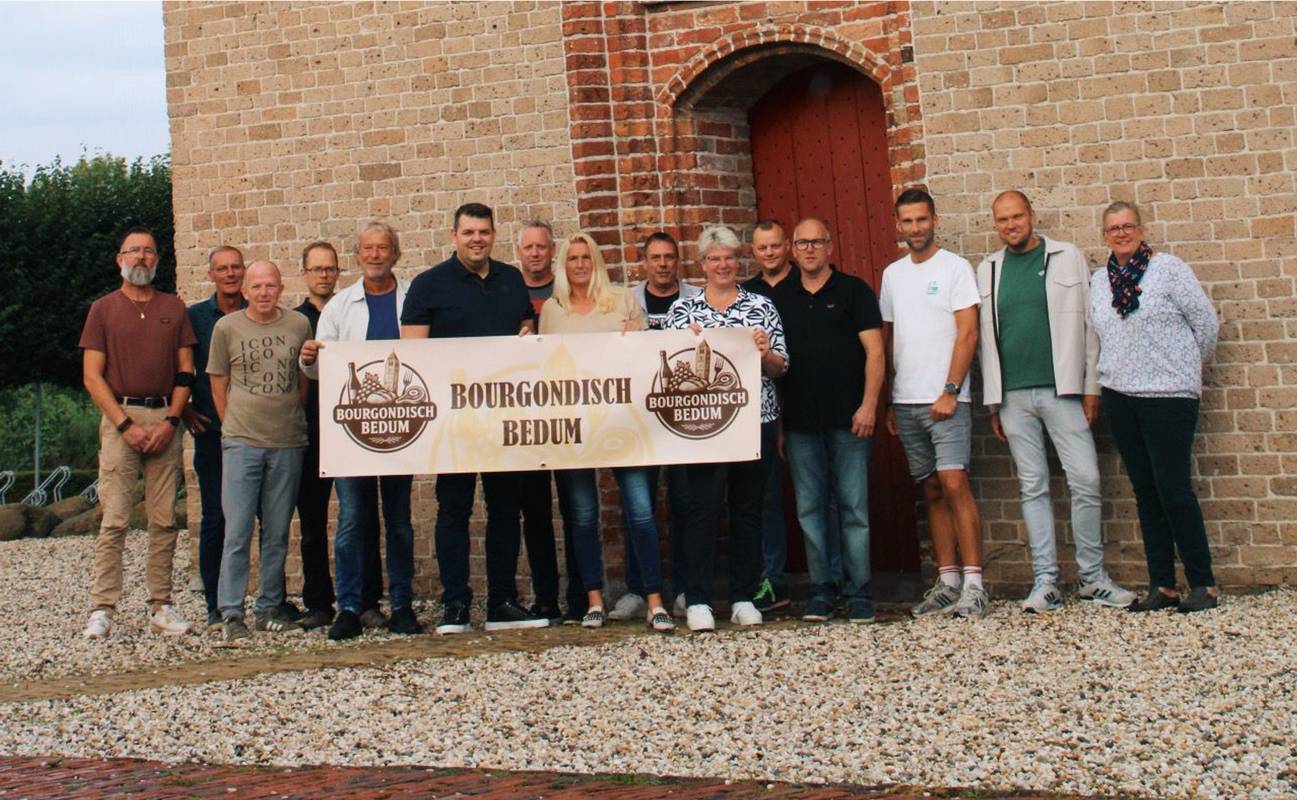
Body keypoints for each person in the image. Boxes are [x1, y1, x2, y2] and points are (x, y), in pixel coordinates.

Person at [977, 191, 1137, 613]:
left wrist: (1090, 388)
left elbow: (1089, 325)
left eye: (1017, 216)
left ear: (1031, 216)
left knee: (1085, 479)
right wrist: (993, 402)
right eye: (1002, 220)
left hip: (1063, 390)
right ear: (996, 224)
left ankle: (1092, 578)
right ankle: (1045, 581)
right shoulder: (988, 269)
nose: (1011, 225)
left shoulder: (1067, 257)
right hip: (1013, 397)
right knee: (1033, 487)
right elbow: (987, 342)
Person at [400, 202, 548, 634]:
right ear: (454, 236)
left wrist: (528, 339)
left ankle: (502, 601)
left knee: (505, 509)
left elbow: (528, 337)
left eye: (484, 232)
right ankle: (456, 606)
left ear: (493, 234)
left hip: (504, 417)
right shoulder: (429, 286)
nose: (477, 239)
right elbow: (413, 356)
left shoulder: (512, 280)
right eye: (469, 233)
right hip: (453, 423)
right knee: (454, 510)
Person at [539, 232, 674, 632]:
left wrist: (640, 336)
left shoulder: (622, 301)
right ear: (563, 266)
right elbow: (545, 367)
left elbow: (647, 357)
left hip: (624, 422)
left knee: (641, 512)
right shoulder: (553, 309)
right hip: (575, 427)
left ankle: (654, 600)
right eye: (573, 258)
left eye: (586, 258)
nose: (580, 265)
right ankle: (594, 599)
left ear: (596, 262)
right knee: (582, 515)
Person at [1090, 201, 1220, 613]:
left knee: (1173, 487)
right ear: (1105, 234)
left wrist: (1183, 369)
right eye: (1114, 228)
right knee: (1145, 491)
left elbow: (1205, 323)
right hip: (1119, 395)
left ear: (1141, 229)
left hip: (1168, 395)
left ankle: (1203, 582)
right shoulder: (1100, 280)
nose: (1122, 233)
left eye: (1129, 225)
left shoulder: (1169, 269)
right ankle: (1162, 585)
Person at [300, 222, 422, 640]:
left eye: (383, 247)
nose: (375, 255)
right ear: (358, 255)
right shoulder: (338, 307)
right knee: (352, 518)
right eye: (368, 248)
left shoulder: (414, 298)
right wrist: (309, 357)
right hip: (351, 433)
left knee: (399, 520)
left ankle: (402, 605)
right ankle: (349, 606)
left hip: (401, 429)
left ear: (395, 253)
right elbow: (319, 371)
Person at [665, 225, 787, 632]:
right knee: (702, 509)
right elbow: (665, 367)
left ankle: (743, 596)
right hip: (704, 427)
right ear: (702, 264)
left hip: (755, 422)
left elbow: (781, 367)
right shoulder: (683, 313)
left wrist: (766, 352)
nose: (723, 265)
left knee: (749, 509)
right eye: (714, 258)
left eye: (730, 257)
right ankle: (699, 598)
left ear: (740, 261)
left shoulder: (761, 307)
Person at [80, 226, 197, 639]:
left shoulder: (174, 308)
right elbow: (92, 377)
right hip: (120, 419)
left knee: (164, 520)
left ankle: (160, 605)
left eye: (148, 251)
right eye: (133, 251)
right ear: (120, 259)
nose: (141, 258)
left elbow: (186, 371)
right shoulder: (103, 310)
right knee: (114, 519)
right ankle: (102, 606)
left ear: (157, 260)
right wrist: (125, 425)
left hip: (165, 417)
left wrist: (171, 421)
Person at [880, 188, 989, 620]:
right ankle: (947, 582)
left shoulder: (955, 269)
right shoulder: (892, 274)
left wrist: (951, 388)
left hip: (947, 399)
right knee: (930, 489)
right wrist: (889, 399)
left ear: (934, 220)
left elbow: (968, 333)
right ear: (899, 225)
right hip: (906, 401)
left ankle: (975, 585)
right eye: (907, 221)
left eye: (921, 220)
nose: (915, 228)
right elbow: (888, 340)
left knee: (955, 484)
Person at [780, 218, 885, 624]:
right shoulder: (782, 297)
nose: (809, 249)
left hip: (849, 420)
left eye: (816, 242)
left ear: (829, 246)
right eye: (802, 243)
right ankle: (822, 590)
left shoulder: (853, 291)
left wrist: (869, 405)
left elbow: (875, 352)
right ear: (793, 248)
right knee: (810, 509)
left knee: (853, 508)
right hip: (802, 423)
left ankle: (860, 592)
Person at [208, 260, 312, 640]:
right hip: (242, 442)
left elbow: (303, 379)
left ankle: (269, 606)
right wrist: (231, 426)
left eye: (271, 286)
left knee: (278, 531)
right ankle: (231, 611)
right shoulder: (227, 328)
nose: (264, 292)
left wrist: (292, 417)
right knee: (237, 531)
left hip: (287, 441)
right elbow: (218, 381)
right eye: (257, 286)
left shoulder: (299, 325)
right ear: (246, 291)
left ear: (281, 288)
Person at [622, 232, 702, 620]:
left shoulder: (696, 301)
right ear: (644, 263)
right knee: (640, 504)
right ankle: (638, 589)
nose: (663, 264)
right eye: (655, 257)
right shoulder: (625, 301)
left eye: (670, 257)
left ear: (678, 261)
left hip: (683, 416)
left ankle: (687, 587)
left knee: (686, 503)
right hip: (640, 416)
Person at [184, 246, 247, 629]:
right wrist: (186, 408)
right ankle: (213, 602)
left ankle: (268, 601)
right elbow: (179, 365)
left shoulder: (257, 311)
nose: (229, 274)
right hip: (213, 433)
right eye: (222, 269)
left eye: (235, 267)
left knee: (260, 517)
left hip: (255, 431)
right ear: (211, 275)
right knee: (215, 518)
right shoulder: (194, 318)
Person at [740, 220, 797, 613]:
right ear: (753, 252)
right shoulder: (747, 295)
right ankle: (766, 580)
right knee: (760, 500)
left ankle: (832, 580)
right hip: (762, 409)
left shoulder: (804, 285)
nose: (770, 252)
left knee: (820, 501)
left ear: (787, 247)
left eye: (775, 245)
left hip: (808, 403)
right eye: (762, 247)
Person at [514, 220, 563, 621]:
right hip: (524, 415)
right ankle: (545, 595)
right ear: (519, 252)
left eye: (541, 247)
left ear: (552, 251)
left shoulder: (566, 292)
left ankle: (582, 594)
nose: (535, 253)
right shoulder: (508, 291)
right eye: (528, 247)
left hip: (567, 411)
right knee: (535, 511)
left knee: (578, 506)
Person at [293, 241, 342, 631]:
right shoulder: (293, 321)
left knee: (358, 519)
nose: (324, 275)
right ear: (305, 274)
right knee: (311, 523)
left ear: (338, 272)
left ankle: (363, 599)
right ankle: (318, 603)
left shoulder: (348, 313)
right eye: (317, 269)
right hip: (308, 433)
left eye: (330, 268)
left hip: (347, 430)